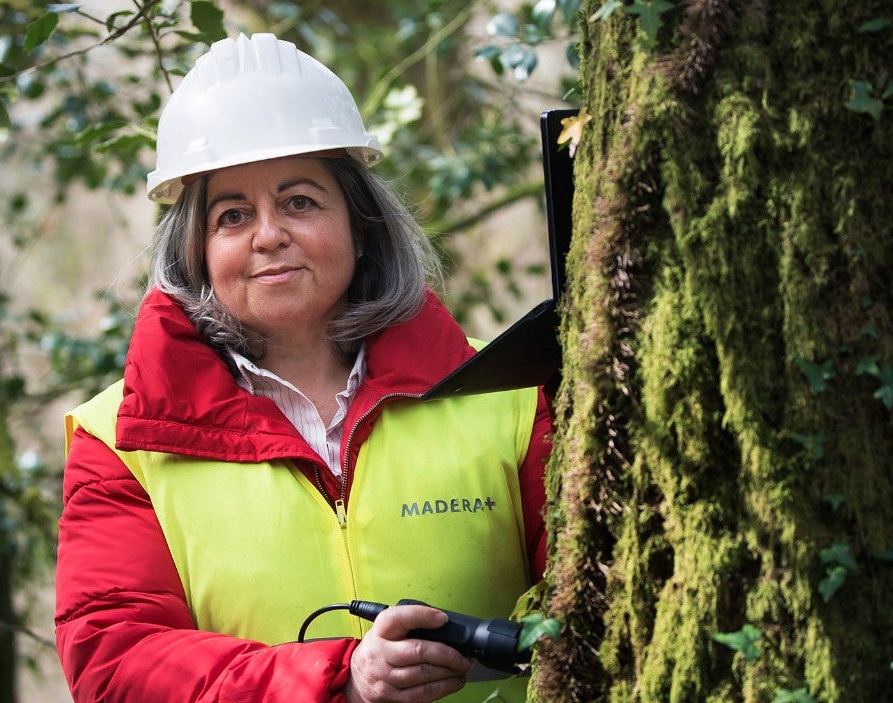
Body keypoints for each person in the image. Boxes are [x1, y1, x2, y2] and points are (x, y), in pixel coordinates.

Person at [54, 33, 553, 703]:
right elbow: (116, 659)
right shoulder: (118, 440)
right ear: (196, 250)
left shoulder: (511, 391)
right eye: (233, 215)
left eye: (299, 202)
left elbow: (601, 585)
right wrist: (337, 679)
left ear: (360, 222)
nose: (268, 235)